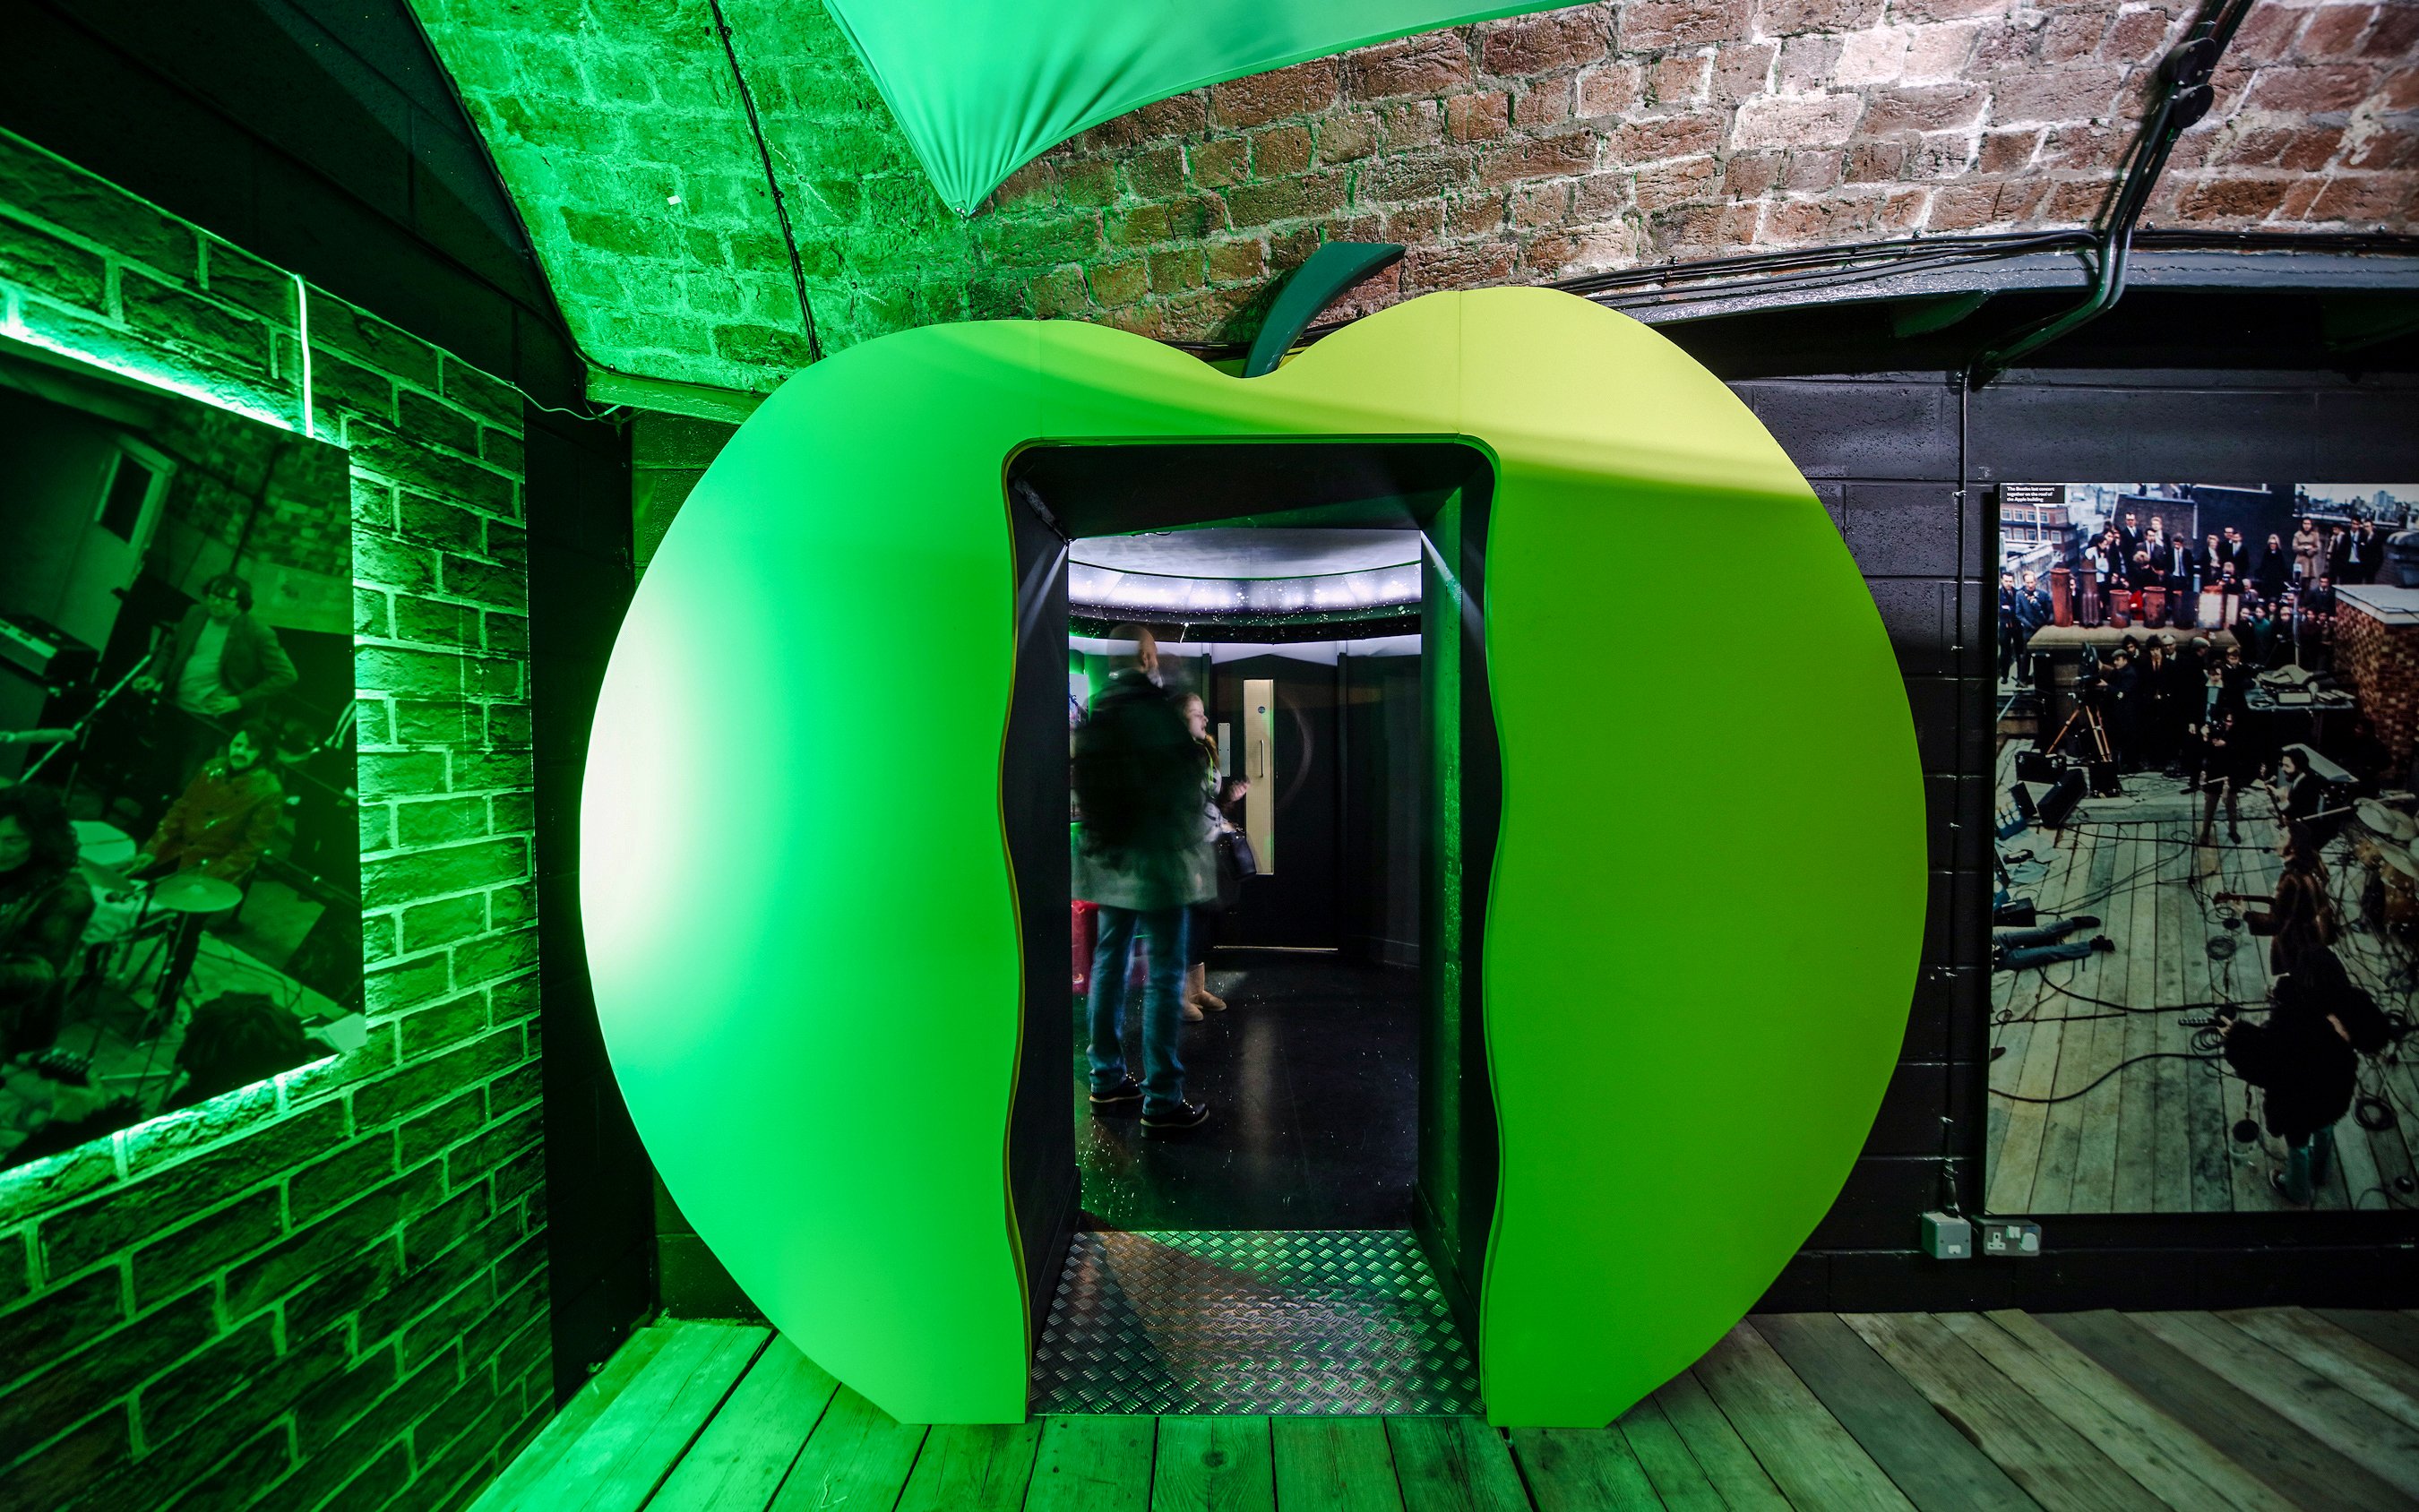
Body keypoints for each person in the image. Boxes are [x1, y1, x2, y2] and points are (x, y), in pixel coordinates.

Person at [1071, 625, 1214, 1132]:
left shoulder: (1099, 714)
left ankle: (1106, 1079)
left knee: (1109, 964)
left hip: (1108, 864)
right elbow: (1180, 792)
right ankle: (1163, 1098)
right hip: (1156, 864)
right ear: (1147, 655)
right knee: (1165, 976)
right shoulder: (1157, 714)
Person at [2220, 941, 2361, 1206]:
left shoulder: (2291, 1022)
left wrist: (2235, 1034)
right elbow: (2374, 1032)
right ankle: (2321, 1172)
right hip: (2334, 1094)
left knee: (2297, 1144)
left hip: (2299, 1104)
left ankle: (2297, 1190)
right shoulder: (2346, 1007)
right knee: (2325, 1127)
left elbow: (2264, 1063)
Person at [135, 574, 297, 792]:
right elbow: (172, 648)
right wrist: (153, 676)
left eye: (225, 599)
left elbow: (286, 675)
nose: (216, 603)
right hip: (175, 707)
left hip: (208, 721)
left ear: (240, 604)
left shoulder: (258, 634)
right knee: (158, 772)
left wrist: (239, 701)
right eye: (212, 596)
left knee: (189, 781)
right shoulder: (195, 614)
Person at [0, 785, 96, 1064]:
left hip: (13, 1024)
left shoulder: (68, 895)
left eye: (13, 841)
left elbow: (39, 972)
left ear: (42, 839)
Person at [132, 722, 284, 886]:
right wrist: (153, 849)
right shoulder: (212, 767)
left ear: (263, 754)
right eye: (237, 744)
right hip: (175, 853)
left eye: (250, 748)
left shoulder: (269, 792)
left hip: (212, 868)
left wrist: (211, 875)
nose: (240, 751)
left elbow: (251, 848)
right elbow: (180, 809)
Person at [1177, 692, 1226, 1022]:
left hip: (1206, 846)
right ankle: (1177, 997)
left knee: (1200, 920)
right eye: (1197, 714)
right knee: (1182, 923)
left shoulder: (1203, 753)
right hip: (1185, 851)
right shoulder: (1177, 757)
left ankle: (1196, 990)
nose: (1204, 719)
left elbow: (1205, 802)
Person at [2254, 533, 2291, 599]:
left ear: (2277, 544)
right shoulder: (2266, 553)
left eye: (2274, 543)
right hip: (2267, 579)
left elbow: (2282, 567)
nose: (2272, 545)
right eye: (2271, 543)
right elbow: (2263, 565)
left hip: (2277, 580)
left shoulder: (2280, 554)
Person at [2292, 517, 2324, 583]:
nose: (2306, 526)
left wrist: (2310, 551)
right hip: (2300, 560)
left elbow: (2318, 548)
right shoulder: (2298, 535)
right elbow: (2294, 547)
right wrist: (2305, 548)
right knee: (2298, 581)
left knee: (2307, 583)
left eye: (2308, 524)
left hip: (2310, 561)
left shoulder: (2315, 535)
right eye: (2305, 524)